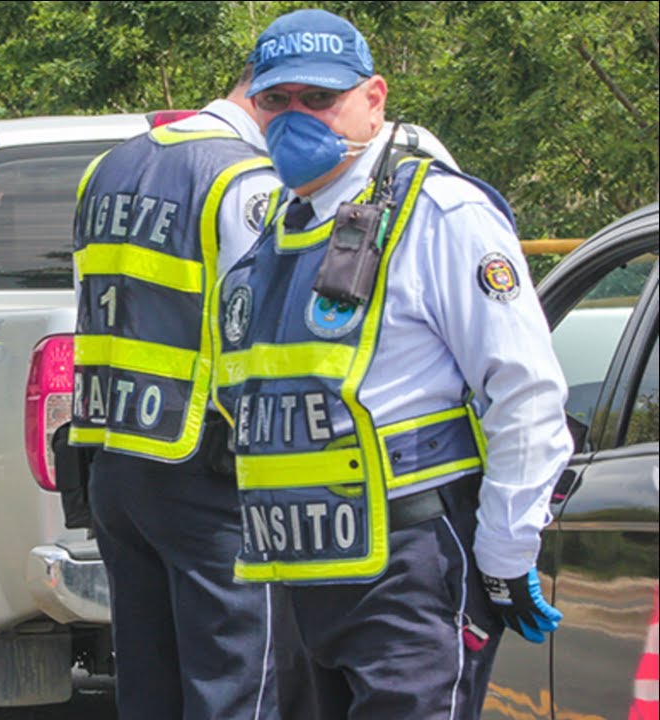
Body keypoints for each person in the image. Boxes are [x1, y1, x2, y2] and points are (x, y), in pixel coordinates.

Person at [211, 9, 571, 718]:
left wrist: (504, 554)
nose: (294, 117)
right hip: (298, 579)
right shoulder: (275, 231)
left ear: (374, 99)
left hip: (409, 574)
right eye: (276, 101)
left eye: (319, 99)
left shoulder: (438, 214)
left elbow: (525, 392)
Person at [69, 65, 282, 719]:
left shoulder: (106, 169)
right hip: (208, 473)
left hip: (117, 463)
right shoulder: (244, 178)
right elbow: (264, 333)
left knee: (149, 687)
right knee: (240, 688)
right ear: (267, 99)